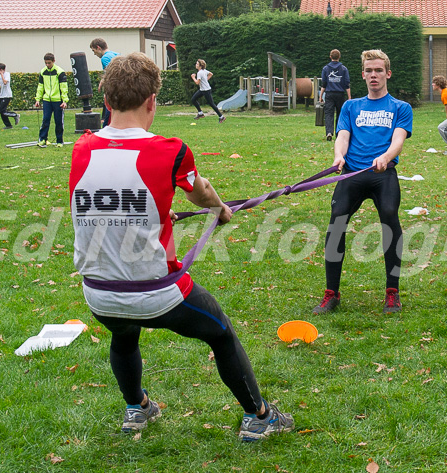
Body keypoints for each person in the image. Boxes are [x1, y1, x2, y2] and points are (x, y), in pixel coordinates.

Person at [69, 52, 292, 441]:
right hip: (156, 293)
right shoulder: (170, 149)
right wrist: (220, 209)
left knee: (123, 335)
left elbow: (108, 202)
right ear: (152, 101)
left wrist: (154, 216)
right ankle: (259, 416)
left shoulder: (81, 148)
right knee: (220, 333)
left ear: (106, 102)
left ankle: (137, 409)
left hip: (98, 294)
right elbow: (200, 193)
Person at [313, 49, 413, 315]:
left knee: (390, 218)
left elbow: (398, 141)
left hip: (384, 175)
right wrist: (338, 157)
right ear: (362, 75)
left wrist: (385, 157)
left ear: (387, 74)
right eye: (369, 71)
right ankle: (331, 293)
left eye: (378, 70)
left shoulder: (401, 108)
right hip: (353, 174)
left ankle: (392, 292)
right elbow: (343, 135)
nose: (373, 75)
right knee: (336, 222)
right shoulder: (351, 106)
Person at [34, 53, 69, 148]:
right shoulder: (43, 72)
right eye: (46, 63)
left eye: (49, 63)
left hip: (58, 100)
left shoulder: (60, 72)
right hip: (46, 100)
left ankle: (59, 141)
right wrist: (38, 99)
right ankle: (42, 139)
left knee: (58, 121)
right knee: (45, 120)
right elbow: (40, 87)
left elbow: (64, 87)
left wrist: (64, 101)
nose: (47, 65)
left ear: (54, 61)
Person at [320, 49, 351, 141]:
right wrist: (349, 97)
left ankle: (329, 132)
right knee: (340, 114)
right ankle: (338, 133)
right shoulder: (344, 69)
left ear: (330, 57)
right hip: (340, 94)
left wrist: (321, 95)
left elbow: (324, 84)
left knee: (329, 113)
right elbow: (347, 84)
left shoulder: (325, 68)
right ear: (339, 57)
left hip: (329, 94)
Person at [89, 38, 120, 128]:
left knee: (107, 123)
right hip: (122, 91)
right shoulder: (116, 54)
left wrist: (108, 92)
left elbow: (111, 75)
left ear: (98, 48)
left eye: (94, 51)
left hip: (114, 92)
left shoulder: (105, 58)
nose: (94, 54)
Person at [190, 59, 225, 123]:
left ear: (200, 66)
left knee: (211, 104)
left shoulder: (200, 72)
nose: (196, 65)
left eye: (197, 64)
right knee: (193, 99)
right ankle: (200, 113)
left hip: (206, 90)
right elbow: (211, 74)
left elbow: (197, 83)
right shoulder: (204, 71)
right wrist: (205, 80)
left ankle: (221, 117)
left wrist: (193, 77)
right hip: (202, 90)